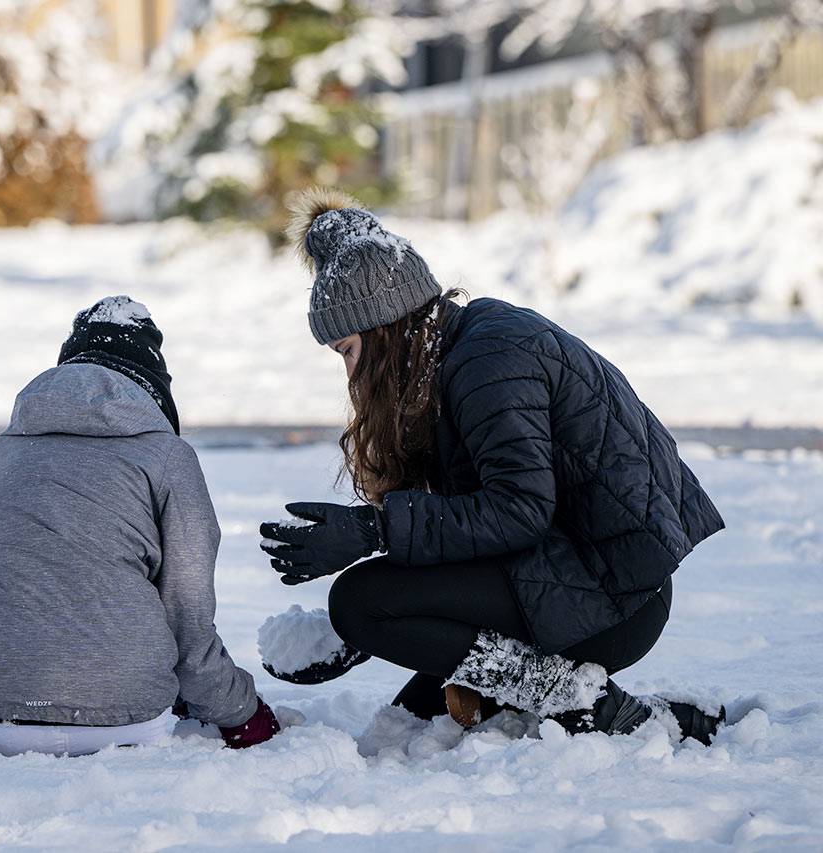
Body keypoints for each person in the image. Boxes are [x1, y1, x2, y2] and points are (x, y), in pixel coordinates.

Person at [260, 189, 726, 742]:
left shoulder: (489, 360)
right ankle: (583, 701)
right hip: (568, 574)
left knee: (360, 602)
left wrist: (372, 532)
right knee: (415, 718)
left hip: (613, 600)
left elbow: (519, 510)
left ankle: (583, 703)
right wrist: (353, 640)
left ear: (383, 329)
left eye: (347, 350)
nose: (350, 374)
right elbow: (474, 525)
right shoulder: (458, 352)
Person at [0, 296, 278, 778]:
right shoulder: (167, 457)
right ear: (154, 386)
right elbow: (188, 618)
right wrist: (241, 714)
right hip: (122, 716)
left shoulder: (1, 452)